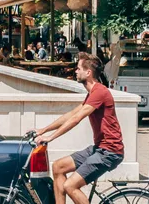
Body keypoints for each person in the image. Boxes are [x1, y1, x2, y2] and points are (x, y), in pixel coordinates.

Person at [38, 53, 124, 204]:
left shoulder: (100, 92)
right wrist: (44, 130)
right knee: (58, 167)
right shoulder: (92, 93)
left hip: (110, 151)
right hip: (99, 148)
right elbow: (71, 114)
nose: (75, 71)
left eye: (78, 68)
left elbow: (77, 119)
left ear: (88, 72)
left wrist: (50, 138)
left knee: (70, 185)